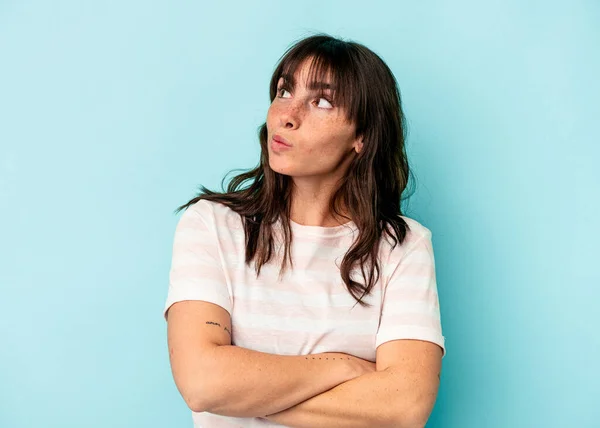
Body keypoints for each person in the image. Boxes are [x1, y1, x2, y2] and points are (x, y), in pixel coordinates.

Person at [163, 33, 446, 428]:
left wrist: (240, 394)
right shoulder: (212, 225)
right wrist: (343, 367)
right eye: (283, 91)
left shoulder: (403, 246)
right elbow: (201, 382)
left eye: (322, 101)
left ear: (362, 137)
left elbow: (405, 406)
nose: (287, 114)